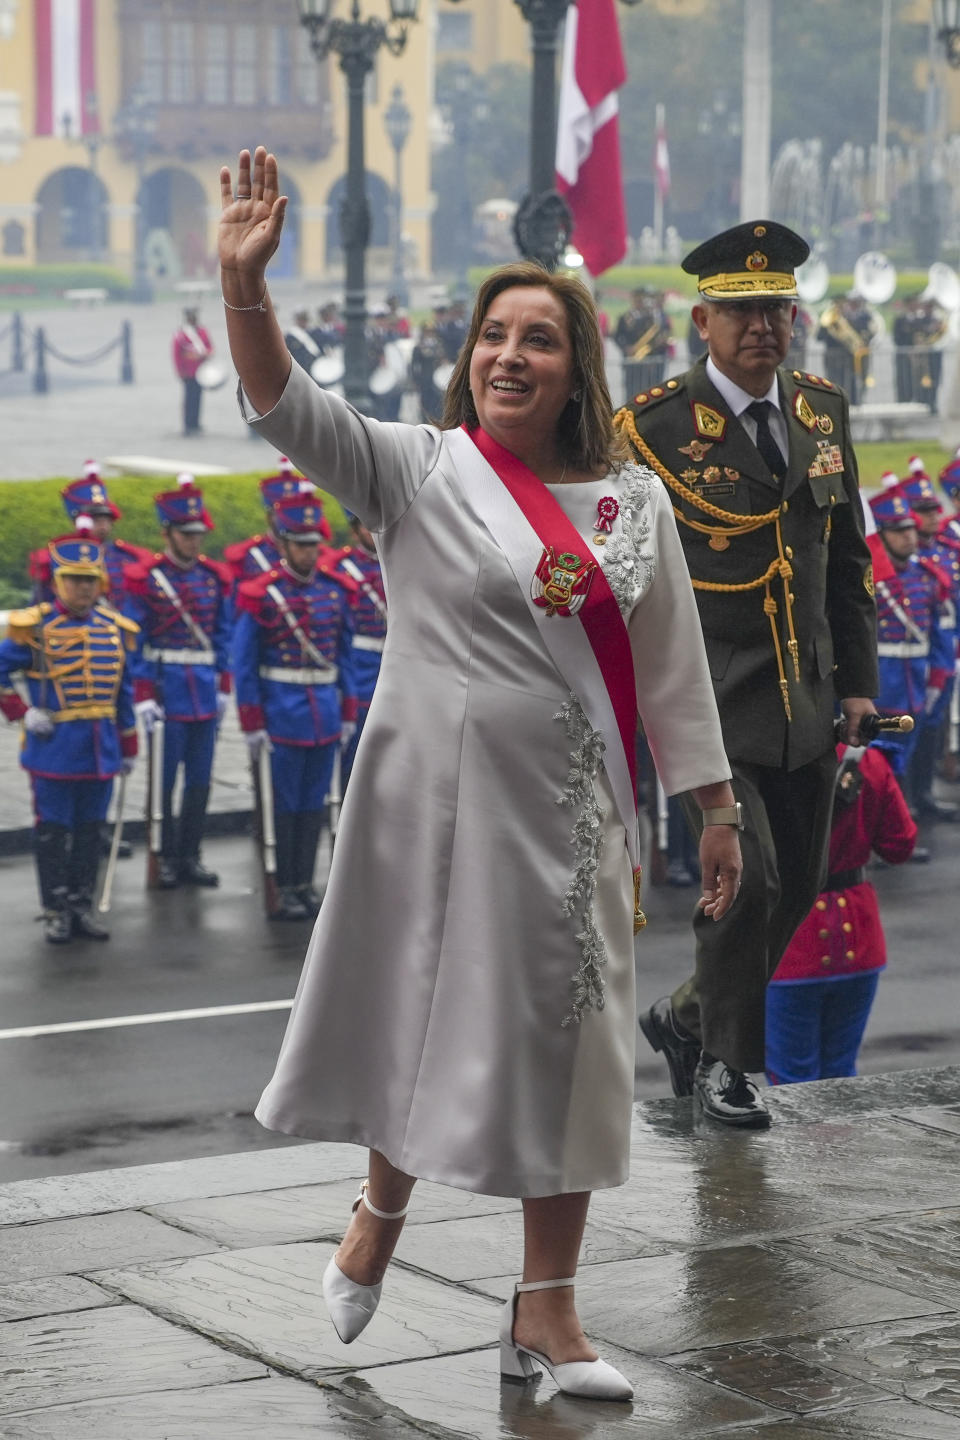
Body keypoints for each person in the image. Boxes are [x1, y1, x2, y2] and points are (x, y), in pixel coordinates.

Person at [218, 145, 740, 1402]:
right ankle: (378, 1213)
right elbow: (288, 406)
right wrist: (245, 288)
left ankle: (547, 1313)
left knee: (572, 1046)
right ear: (470, 356)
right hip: (428, 805)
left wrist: (713, 806)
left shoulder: (633, 507)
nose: (512, 356)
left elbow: (669, 663)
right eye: (494, 336)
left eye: (540, 341)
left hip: (575, 816)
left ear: (576, 369)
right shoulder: (417, 469)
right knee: (416, 1014)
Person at [615, 219, 878, 1128]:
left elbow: (847, 562)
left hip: (805, 697)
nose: (762, 325)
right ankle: (729, 1065)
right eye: (741, 311)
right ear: (702, 322)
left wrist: (858, 686)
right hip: (709, 699)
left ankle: (687, 1017)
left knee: (798, 888)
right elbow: (622, 567)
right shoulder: (651, 430)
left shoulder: (819, 412)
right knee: (750, 881)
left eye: (776, 308)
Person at [0, 535, 138, 943]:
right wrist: (24, 713)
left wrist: (129, 744)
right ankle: (55, 909)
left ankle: (81, 906)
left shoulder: (113, 628)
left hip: (101, 749)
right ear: (58, 582)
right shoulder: (36, 628)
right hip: (54, 749)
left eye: (90, 580)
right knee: (54, 832)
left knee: (91, 831)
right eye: (75, 579)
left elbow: (123, 690)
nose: (83, 588)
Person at [233, 495, 357, 921]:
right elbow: (244, 663)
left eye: (313, 544)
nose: (308, 552)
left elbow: (344, 658)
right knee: (284, 805)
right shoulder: (261, 594)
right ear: (283, 546)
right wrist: (251, 721)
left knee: (314, 805)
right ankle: (284, 885)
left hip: (322, 713)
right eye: (300, 544)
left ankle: (305, 883)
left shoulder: (334, 591)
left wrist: (346, 713)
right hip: (282, 715)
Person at [765, 739, 916, 1084]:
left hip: (790, 941)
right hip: (858, 938)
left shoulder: (766, 760)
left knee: (791, 1083)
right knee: (841, 1080)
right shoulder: (870, 762)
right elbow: (900, 845)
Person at [123, 476, 232, 889]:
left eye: (198, 534)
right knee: (163, 783)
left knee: (200, 780)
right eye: (186, 535)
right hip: (166, 695)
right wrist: (143, 694)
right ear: (167, 533)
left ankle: (191, 854)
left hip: (203, 693)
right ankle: (163, 855)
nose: (194, 541)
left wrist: (224, 686)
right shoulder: (147, 579)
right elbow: (136, 641)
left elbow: (221, 637)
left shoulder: (211, 577)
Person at [867, 486, 953, 789]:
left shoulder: (927, 577)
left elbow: (938, 635)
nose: (908, 537)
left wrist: (938, 677)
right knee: (876, 766)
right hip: (881, 687)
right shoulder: (871, 582)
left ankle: (914, 805)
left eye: (910, 529)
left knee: (912, 756)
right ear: (882, 534)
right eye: (898, 531)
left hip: (916, 684)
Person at [898, 465, 960, 820]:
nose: (934, 516)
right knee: (907, 734)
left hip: (941, 654)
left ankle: (924, 796)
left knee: (931, 727)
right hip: (909, 663)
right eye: (924, 511)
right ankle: (905, 805)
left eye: (934, 508)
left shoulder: (942, 552)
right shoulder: (906, 562)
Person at [30, 462, 152, 608]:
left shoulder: (126, 556)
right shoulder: (59, 557)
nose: (103, 525)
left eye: (106, 519)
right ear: (78, 520)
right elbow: (43, 605)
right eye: (95, 519)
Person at [331, 512, 387, 787]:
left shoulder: (399, 560)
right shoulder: (340, 568)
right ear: (354, 531)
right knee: (354, 755)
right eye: (366, 526)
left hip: (394, 665)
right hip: (360, 668)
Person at [223, 458, 332, 591]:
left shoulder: (325, 557)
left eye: (291, 511)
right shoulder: (250, 557)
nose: (286, 518)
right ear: (269, 515)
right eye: (279, 511)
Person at [614, 287, 671, 399]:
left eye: (640, 300)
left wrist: (652, 354)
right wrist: (626, 348)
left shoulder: (650, 317)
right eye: (636, 300)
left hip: (647, 361)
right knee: (631, 391)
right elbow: (617, 336)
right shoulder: (625, 317)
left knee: (647, 391)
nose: (638, 303)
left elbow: (653, 339)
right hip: (631, 359)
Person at [172, 307, 215, 436]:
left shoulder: (202, 331)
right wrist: (180, 371)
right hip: (188, 371)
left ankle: (196, 423)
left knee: (198, 398)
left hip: (200, 371)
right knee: (189, 398)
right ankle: (188, 424)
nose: (193, 318)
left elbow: (209, 347)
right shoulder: (181, 334)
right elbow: (176, 354)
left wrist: (204, 355)